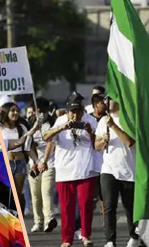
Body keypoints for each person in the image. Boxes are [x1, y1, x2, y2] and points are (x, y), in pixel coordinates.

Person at [43, 92, 101, 247]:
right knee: (66, 207)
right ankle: (67, 239)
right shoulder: (60, 120)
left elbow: (99, 145)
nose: (76, 115)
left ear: (83, 110)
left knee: (86, 204)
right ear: (67, 112)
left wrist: (90, 132)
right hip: (64, 171)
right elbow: (46, 137)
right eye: (73, 112)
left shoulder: (91, 121)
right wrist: (62, 128)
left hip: (86, 169)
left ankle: (86, 235)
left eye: (79, 111)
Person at [95, 99, 139, 247]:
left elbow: (130, 142)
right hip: (109, 169)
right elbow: (96, 145)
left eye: (111, 98)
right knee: (109, 206)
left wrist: (113, 126)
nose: (107, 101)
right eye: (106, 99)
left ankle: (134, 236)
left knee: (130, 207)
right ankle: (110, 241)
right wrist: (103, 142)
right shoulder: (103, 121)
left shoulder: (130, 119)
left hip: (129, 170)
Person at [0, 96, 40, 216]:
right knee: (6, 192)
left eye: (17, 111)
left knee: (17, 193)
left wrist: (37, 161)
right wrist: (30, 132)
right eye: (12, 110)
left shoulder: (22, 128)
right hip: (6, 163)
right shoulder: (0, 127)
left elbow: (28, 148)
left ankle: (18, 217)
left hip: (20, 163)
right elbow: (10, 145)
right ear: (6, 112)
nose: (15, 113)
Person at [28, 97, 58, 233]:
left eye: (43, 110)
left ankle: (49, 220)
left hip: (49, 163)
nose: (40, 113)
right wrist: (35, 162)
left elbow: (51, 143)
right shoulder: (30, 122)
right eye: (38, 110)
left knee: (46, 192)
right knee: (35, 195)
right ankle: (38, 222)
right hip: (34, 164)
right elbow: (28, 143)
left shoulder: (53, 123)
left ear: (47, 110)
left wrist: (44, 161)